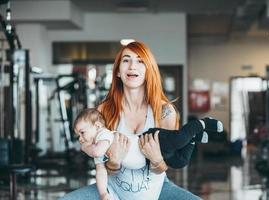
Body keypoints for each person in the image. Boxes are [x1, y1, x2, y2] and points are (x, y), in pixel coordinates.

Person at [60, 41, 205, 200]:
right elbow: (99, 161)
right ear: (117, 72)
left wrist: (156, 160)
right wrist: (114, 163)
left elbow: (165, 166)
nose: (132, 66)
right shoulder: (104, 111)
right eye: (126, 60)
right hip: (112, 189)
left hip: (156, 190)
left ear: (148, 70)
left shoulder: (164, 111)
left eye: (140, 61)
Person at [73, 108, 223, 199]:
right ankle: (193, 139)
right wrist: (103, 194)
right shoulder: (97, 147)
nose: (81, 139)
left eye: (82, 133)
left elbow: (97, 151)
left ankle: (202, 123)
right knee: (180, 161)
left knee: (178, 141)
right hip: (144, 160)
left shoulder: (102, 135)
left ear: (98, 126)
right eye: (78, 136)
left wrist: (84, 148)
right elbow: (101, 173)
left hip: (148, 140)